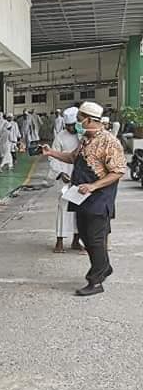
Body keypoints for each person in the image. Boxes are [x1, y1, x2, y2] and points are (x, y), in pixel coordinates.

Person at [42, 101, 126, 297]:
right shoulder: (85, 138)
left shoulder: (109, 142)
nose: (78, 123)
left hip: (99, 198)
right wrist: (51, 152)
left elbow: (118, 171)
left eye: (80, 120)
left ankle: (95, 281)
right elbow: (73, 157)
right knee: (86, 237)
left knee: (96, 239)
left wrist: (94, 186)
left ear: (89, 119)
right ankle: (104, 267)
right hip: (81, 196)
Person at [48, 107, 83, 255]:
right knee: (63, 208)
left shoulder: (83, 137)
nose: (70, 128)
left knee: (80, 210)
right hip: (65, 179)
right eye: (67, 125)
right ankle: (60, 241)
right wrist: (61, 173)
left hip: (81, 178)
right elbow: (52, 157)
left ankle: (76, 240)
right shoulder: (60, 137)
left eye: (72, 125)